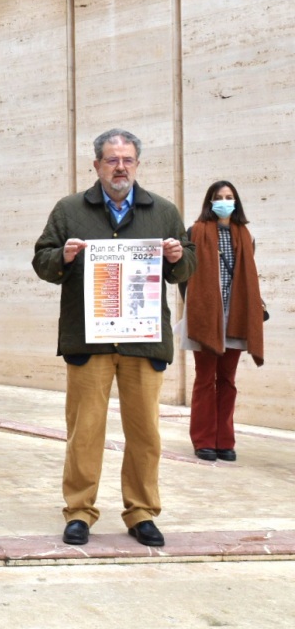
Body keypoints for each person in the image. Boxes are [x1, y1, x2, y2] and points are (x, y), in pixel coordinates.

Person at [32, 128, 195, 548]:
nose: (119, 167)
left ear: (137, 164)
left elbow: (186, 268)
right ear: (96, 165)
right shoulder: (69, 210)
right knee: (85, 431)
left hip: (143, 340)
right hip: (90, 341)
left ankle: (141, 512)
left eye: (127, 160)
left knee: (145, 433)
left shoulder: (163, 211)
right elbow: (42, 259)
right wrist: (62, 257)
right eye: (111, 160)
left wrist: (178, 258)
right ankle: (79, 512)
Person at [179, 181, 265, 461]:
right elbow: (185, 277)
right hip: (206, 318)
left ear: (236, 202)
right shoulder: (195, 231)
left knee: (227, 380)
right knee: (205, 380)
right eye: (219, 197)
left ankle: (224, 440)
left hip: (236, 317)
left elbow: (249, 277)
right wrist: (198, 308)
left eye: (229, 197)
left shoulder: (245, 234)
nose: (224, 202)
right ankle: (203, 440)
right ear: (210, 201)